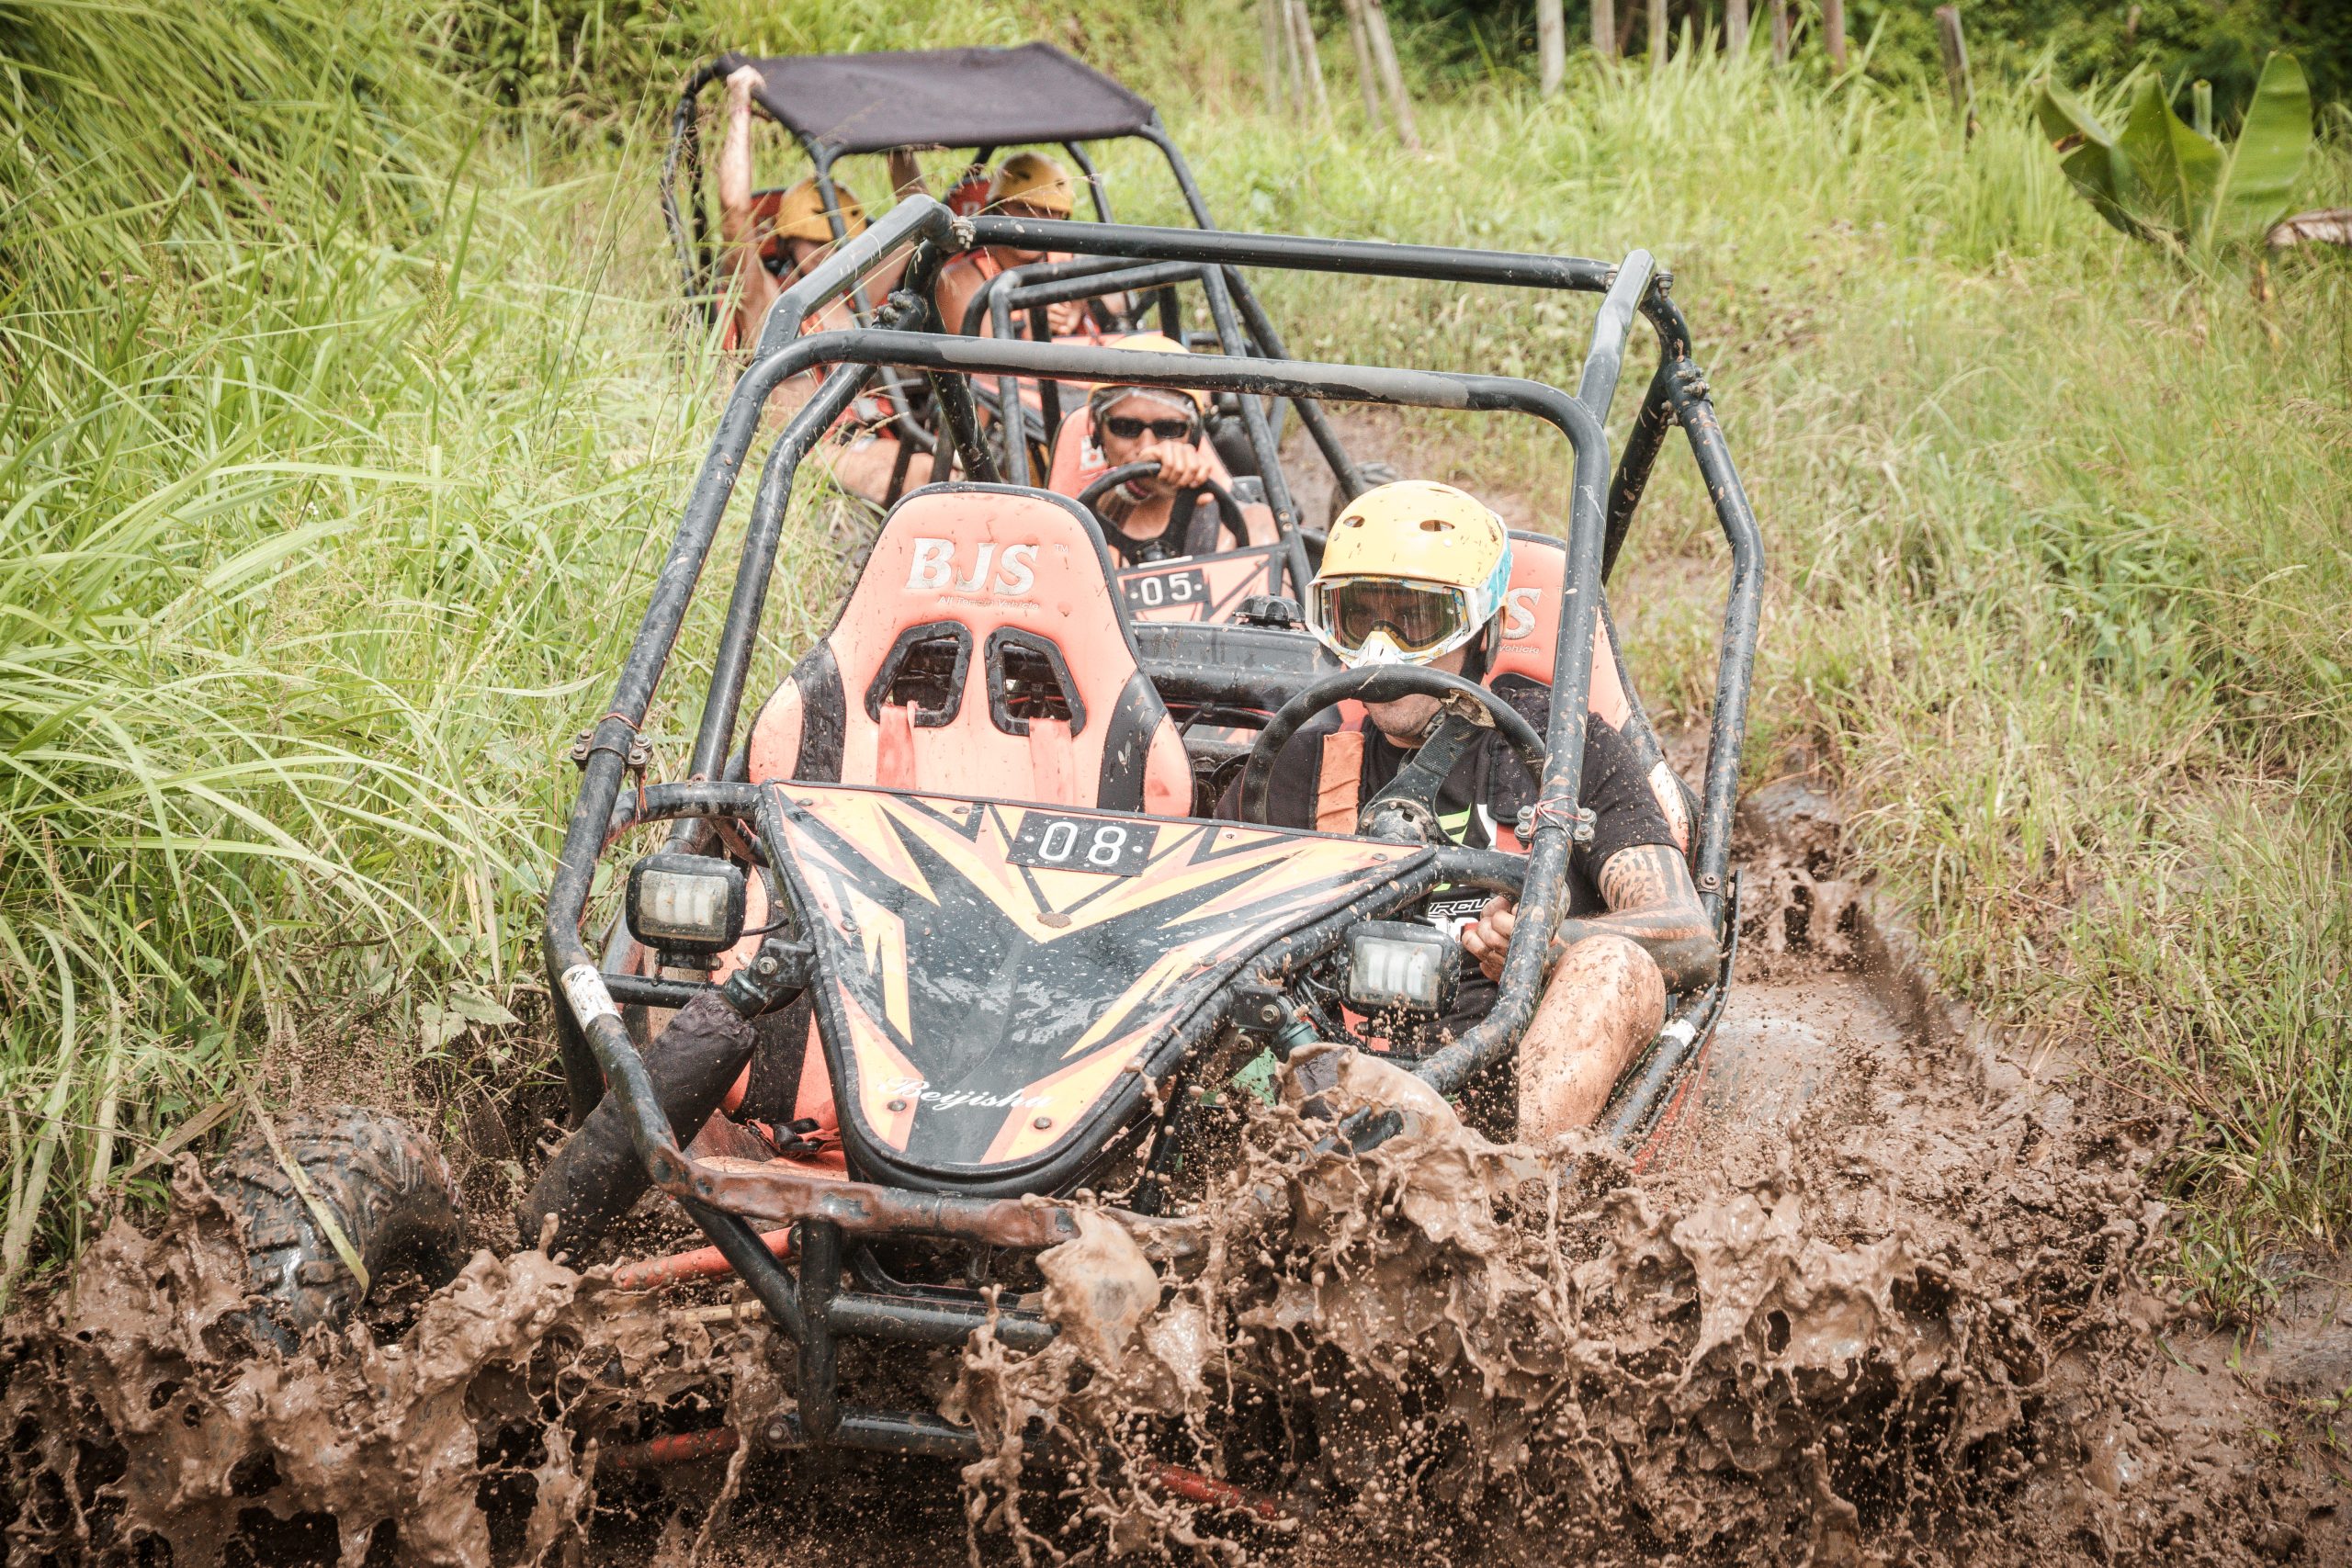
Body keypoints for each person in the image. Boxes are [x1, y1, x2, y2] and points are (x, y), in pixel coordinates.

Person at [1221, 480, 1719, 1141]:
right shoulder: (1300, 756)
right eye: (1356, 618)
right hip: (1321, 1068)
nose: (1382, 649)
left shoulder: (1568, 746)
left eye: (1414, 620)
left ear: (1487, 627)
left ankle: (1509, 1205)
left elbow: (1687, 933)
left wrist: (1544, 944)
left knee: (1613, 965)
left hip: (1512, 1082)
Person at [1052, 334, 1277, 553]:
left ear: (1194, 435)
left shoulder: (1239, 527)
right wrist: (1135, 486)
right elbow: (1057, 559)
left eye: (1168, 429)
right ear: (1098, 434)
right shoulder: (1071, 537)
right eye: (1126, 428)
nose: (1147, 446)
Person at [933, 152, 1102, 340]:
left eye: (1047, 211)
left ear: (1062, 217)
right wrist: (1036, 325)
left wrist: (1080, 305)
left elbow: (1123, 309)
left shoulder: (1067, 262)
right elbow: (982, 367)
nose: (1033, 221)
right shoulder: (962, 284)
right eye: (1022, 208)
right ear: (996, 209)